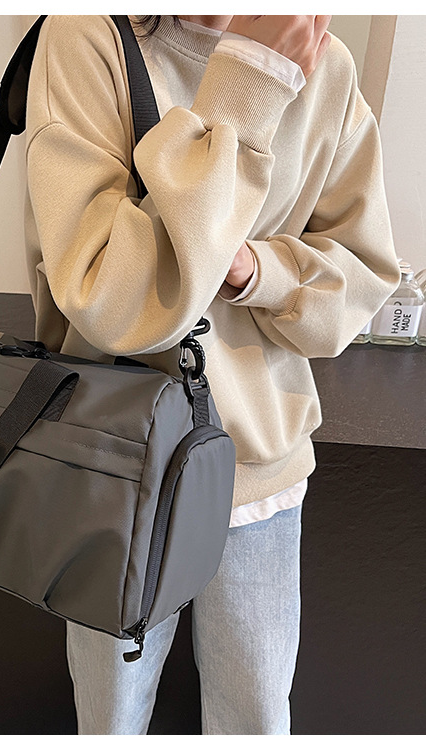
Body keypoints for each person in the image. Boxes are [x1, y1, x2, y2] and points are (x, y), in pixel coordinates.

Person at [23, 15, 401, 735]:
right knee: (111, 717)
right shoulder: (90, 37)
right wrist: (249, 79)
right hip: (114, 461)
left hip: (258, 461)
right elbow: (114, 301)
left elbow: (360, 283)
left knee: (255, 715)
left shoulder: (323, 60)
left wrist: (256, 268)